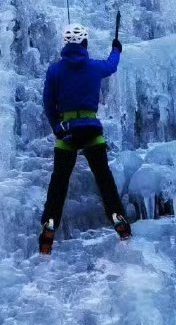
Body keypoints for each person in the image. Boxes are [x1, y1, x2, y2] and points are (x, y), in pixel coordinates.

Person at [39, 22, 131, 255]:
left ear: (66, 43)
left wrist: (56, 127)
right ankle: (117, 217)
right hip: (91, 129)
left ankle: (49, 224)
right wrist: (116, 48)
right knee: (104, 179)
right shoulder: (94, 67)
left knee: (59, 182)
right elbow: (112, 65)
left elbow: (48, 103)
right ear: (85, 43)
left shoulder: (55, 71)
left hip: (67, 131)